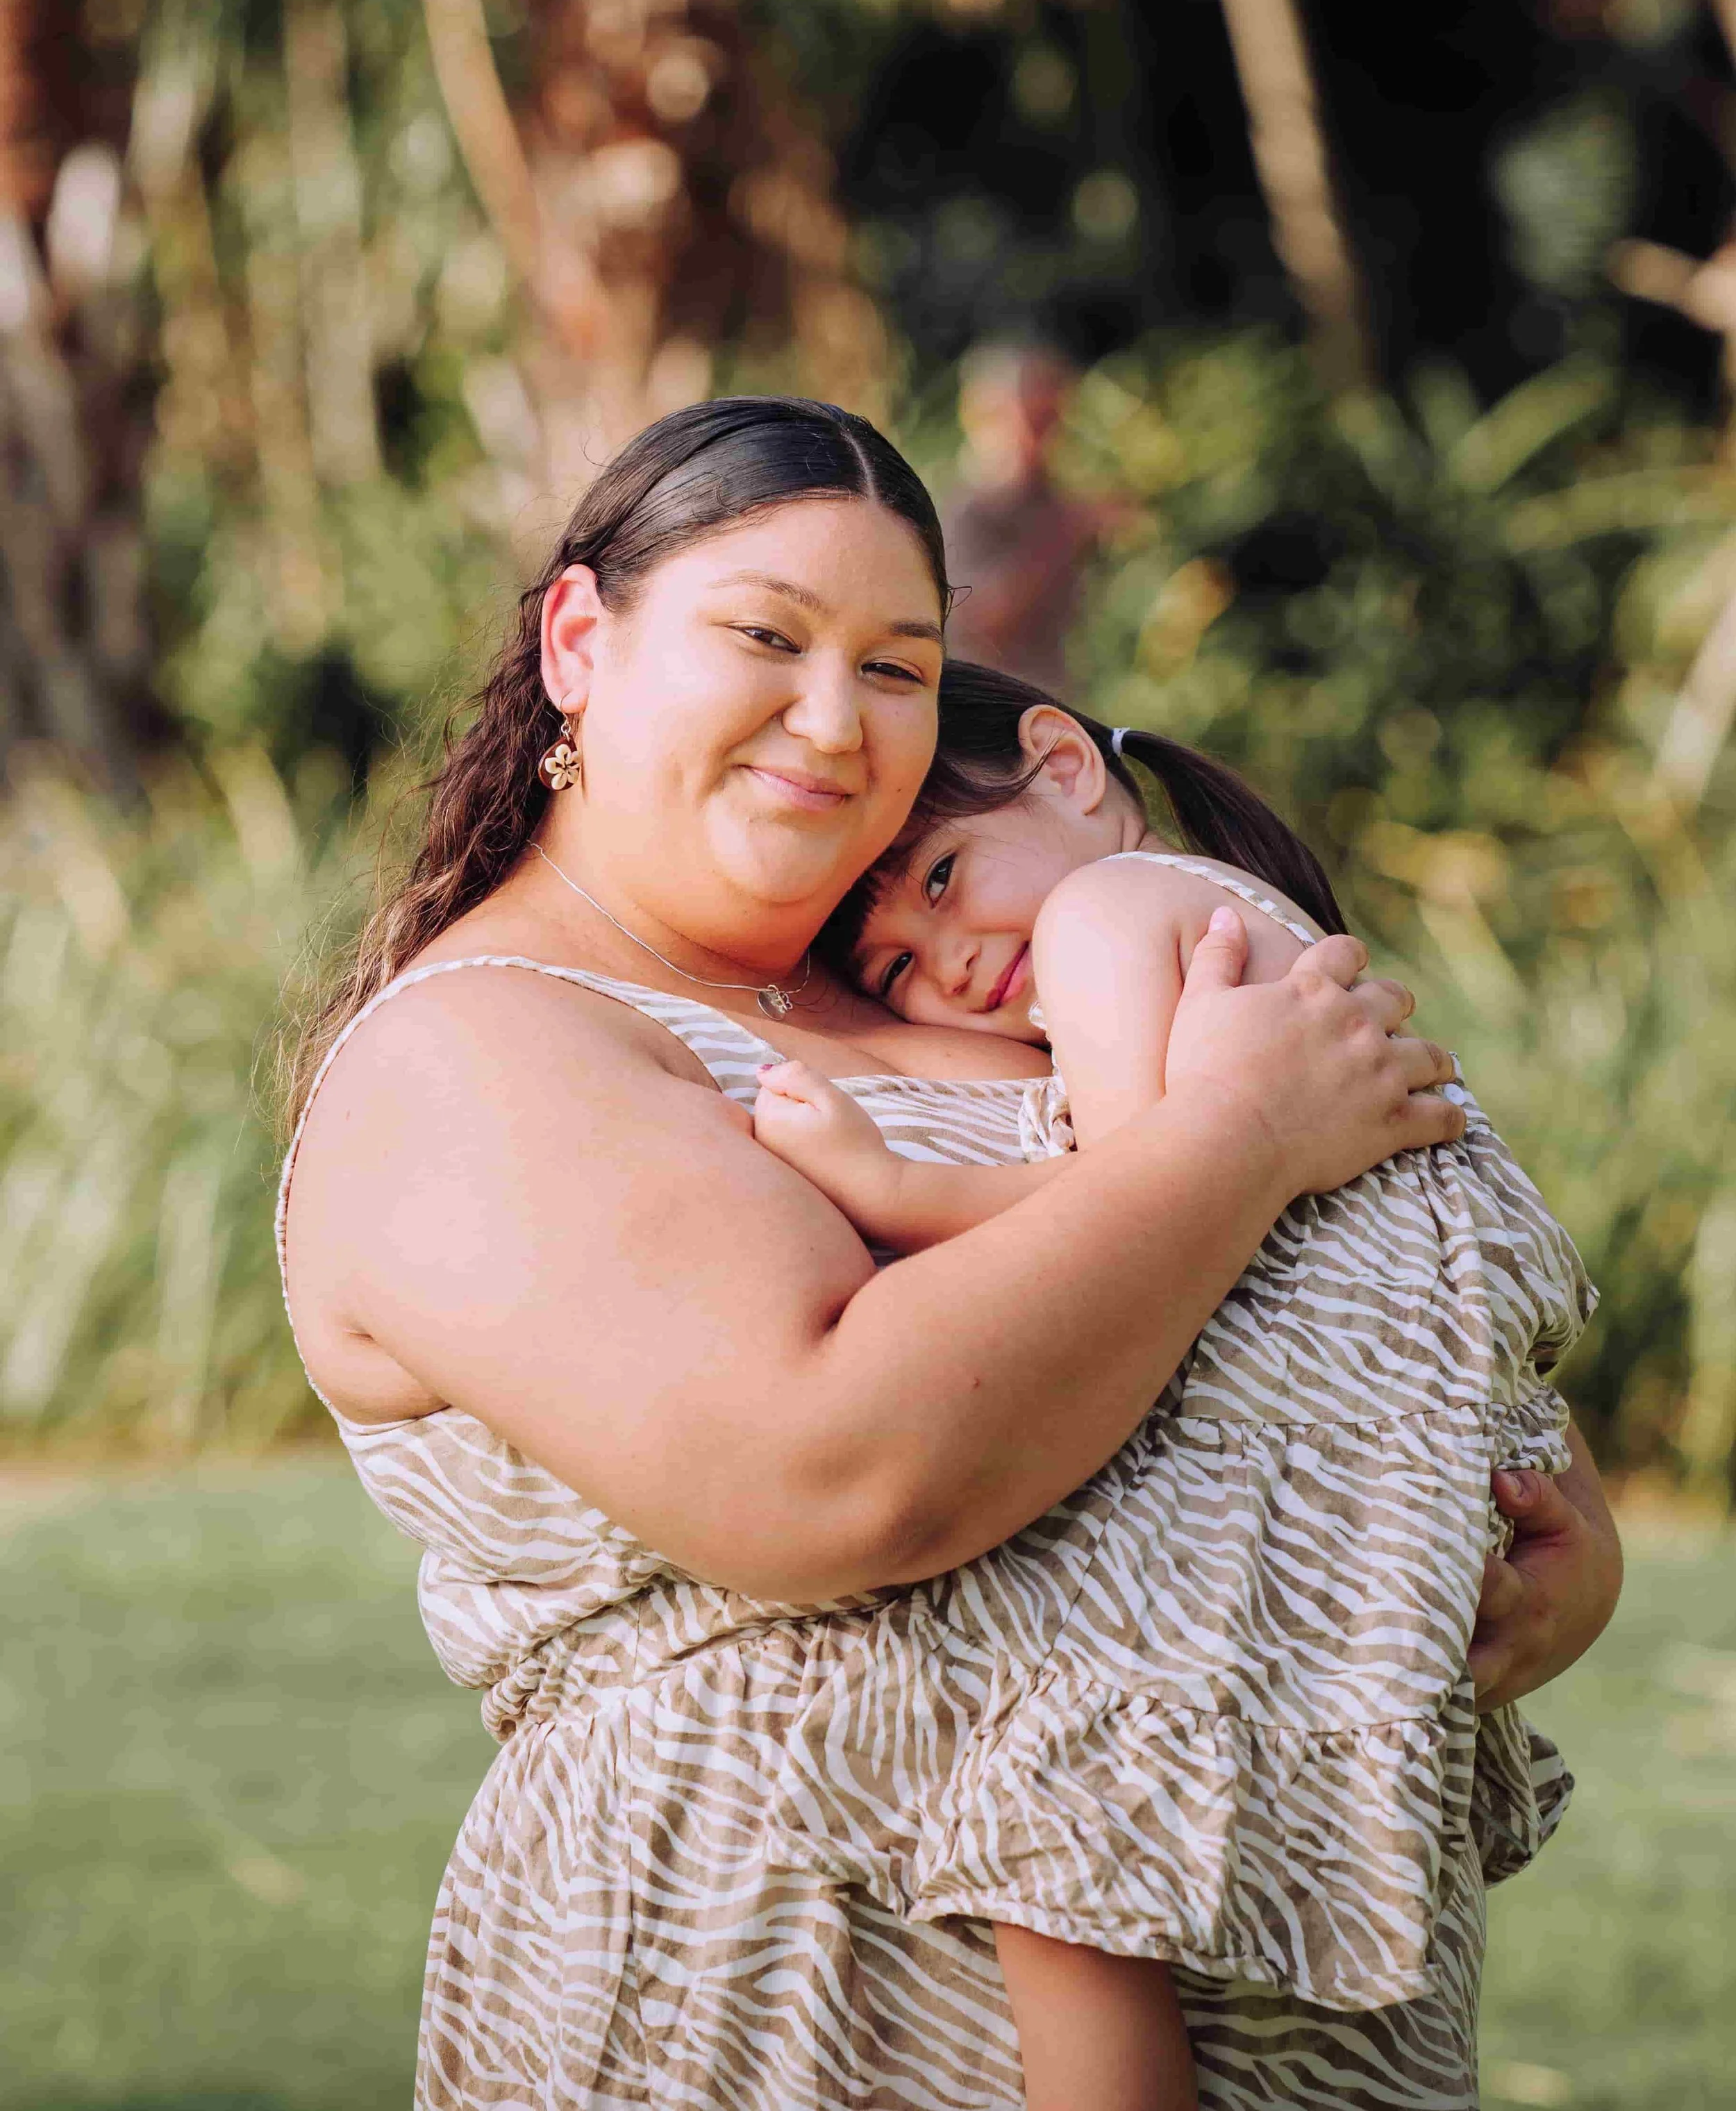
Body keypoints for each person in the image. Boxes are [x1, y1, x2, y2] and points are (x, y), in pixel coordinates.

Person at [275, 396, 1622, 2110]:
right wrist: (1241, 1132)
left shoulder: (991, 960)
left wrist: (1552, 1534)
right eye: (763, 635)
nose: (834, 721)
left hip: (1287, 1972)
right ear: (579, 641)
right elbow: (835, 1472)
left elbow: (1352, 1294)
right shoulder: (478, 1053)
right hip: (793, 1991)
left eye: (899, 667)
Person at [753, 661, 1596, 2111]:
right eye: (891, 963)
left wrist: (882, 1179)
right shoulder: (1232, 914)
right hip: (1395, 1435)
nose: (942, 958)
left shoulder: (1103, 912)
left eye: (943, 874)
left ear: (1061, 765)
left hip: (1271, 1441)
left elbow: (1133, 1205)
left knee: (1058, 1868)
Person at [942, 344, 1108, 698]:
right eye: (1035, 421)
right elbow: (977, 617)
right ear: (984, 416)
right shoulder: (965, 510)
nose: (1048, 438)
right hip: (987, 708)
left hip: (1053, 700)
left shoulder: (1050, 501)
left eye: (1055, 421)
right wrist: (1062, 538)